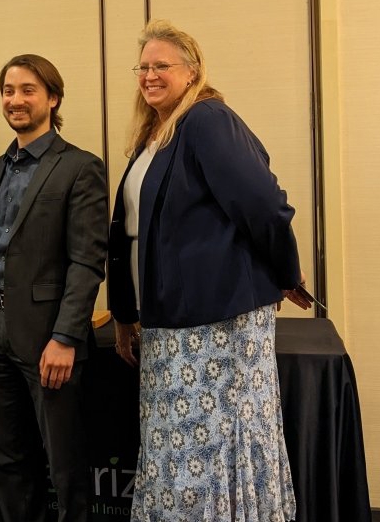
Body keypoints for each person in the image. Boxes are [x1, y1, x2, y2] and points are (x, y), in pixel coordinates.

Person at [108, 20, 313, 521]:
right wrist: (124, 311)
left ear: (192, 71)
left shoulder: (206, 120)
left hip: (217, 325)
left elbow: (263, 206)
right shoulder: (156, 132)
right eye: (144, 67)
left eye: (163, 66)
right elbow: (133, 232)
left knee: (214, 450)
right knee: (174, 455)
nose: (150, 75)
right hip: (169, 323)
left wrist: (286, 272)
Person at [0, 54, 108, 522]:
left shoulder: (80, 167)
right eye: (8, 90)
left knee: (64, 465)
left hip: (49, 337)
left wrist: (66, 338)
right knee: (6, 460)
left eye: (28, 90)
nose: (16, 100)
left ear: (53, 98)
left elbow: (87, 263)